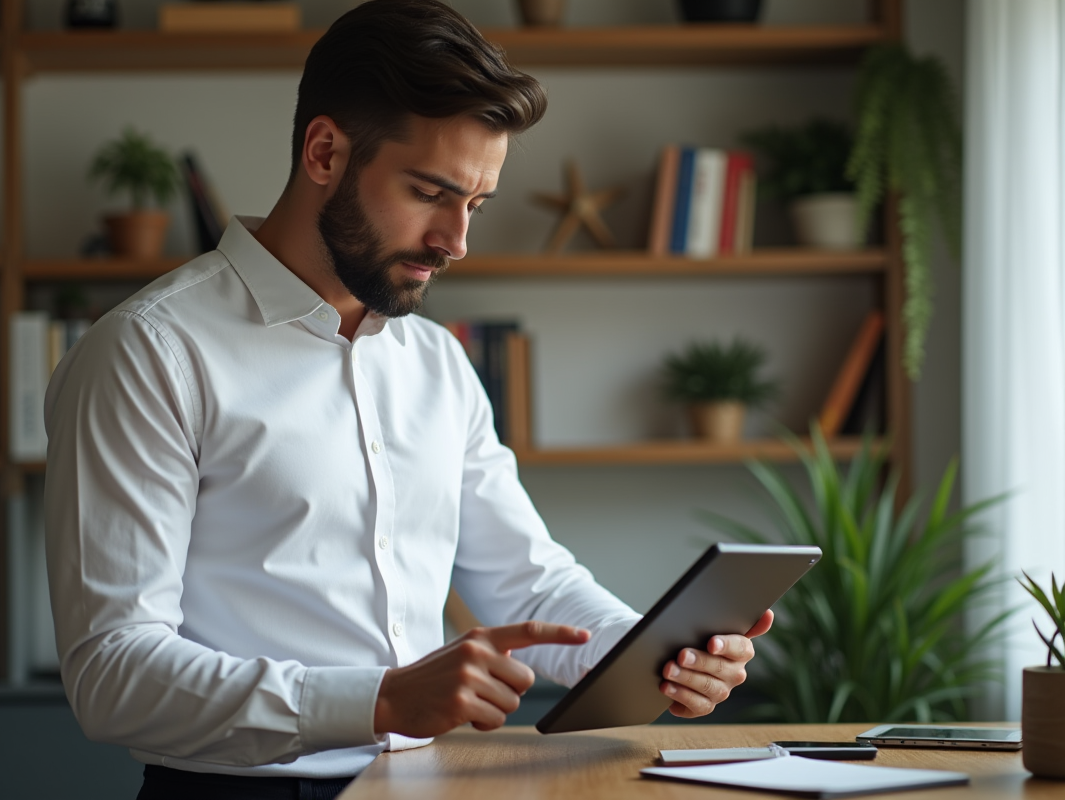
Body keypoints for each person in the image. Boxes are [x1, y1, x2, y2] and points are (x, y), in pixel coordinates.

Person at [43, 1, 773, 798]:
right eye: (430, 192)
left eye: (477, 205)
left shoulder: (437, 363)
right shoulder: (148, 353)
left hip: (426, 783)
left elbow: (527, 586)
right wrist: (382, 698)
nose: (456, 239)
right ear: (325, 151)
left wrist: (655, 652)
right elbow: (111, 672)